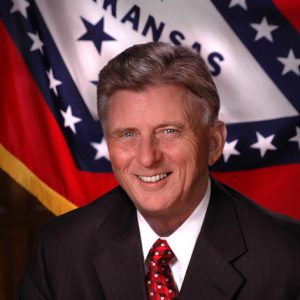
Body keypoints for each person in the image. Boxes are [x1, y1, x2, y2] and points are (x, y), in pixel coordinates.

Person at [18, 42, 300, 300]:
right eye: (127, 134)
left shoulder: (288, 259)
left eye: (169, 131)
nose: (147, 157)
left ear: (213, 143)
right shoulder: (59, 251)